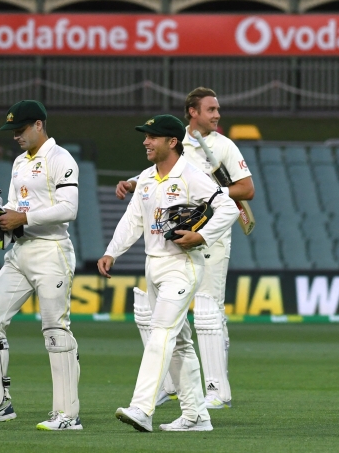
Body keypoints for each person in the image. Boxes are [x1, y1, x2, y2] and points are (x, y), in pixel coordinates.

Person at [117, 87, 255, 410]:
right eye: (211, 110)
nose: (217, 115)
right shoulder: (175, 141)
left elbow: (246, 188)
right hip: (171, 242)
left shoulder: (222, 145)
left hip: (211, 238)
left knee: (208, 311)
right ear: (192, 112)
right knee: (157, 315)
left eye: (217, 109)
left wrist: (209, 195)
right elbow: (160, 176)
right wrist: (133, 183)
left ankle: (217, 390)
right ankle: (171, 385)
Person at [100, 115, 239, 433]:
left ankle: (142, 407)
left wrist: (202, 236)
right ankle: (196, 416)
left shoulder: (192, 175)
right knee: (180, 343)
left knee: (161, 330)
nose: (146, 142)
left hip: (183, 265)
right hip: (154, 265)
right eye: (145, 137)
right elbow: (133, 219)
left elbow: (229, 208)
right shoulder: (147, 178)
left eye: (152, 137)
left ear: (172, 142)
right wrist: (112, 252)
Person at [0, 100, 83, 431]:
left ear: (39, 125)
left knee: (55, 330)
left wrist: (23, 217)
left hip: (52, 252)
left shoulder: (60, 159)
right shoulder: (18, 162)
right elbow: (15, 205)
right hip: (21, 252)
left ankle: (68, 415)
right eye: (13, 130)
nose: (16, 135)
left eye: (21, 129)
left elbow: (69, 209)